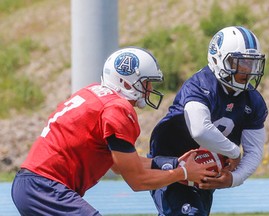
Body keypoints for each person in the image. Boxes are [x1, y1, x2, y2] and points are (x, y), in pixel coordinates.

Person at [11, 47, 218, 216]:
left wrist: (174, 162)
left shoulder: (94, 94)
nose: (149, 90)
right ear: (126, 82)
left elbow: (122, 165)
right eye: (146, 83)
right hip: (45, 187)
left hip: (34, 185)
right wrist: (182, 172)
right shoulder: (118, 109)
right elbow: (137, 180)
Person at [149, 26, 268, 216]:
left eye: (251, 63)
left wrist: (234, 178)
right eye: (239, 62)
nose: (247, 70)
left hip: (205, 170)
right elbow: (200, 130)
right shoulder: (201, 85)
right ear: (217, 58)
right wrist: (234, 152)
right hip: (171, 162)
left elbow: (254, 150)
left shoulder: (254, 101)